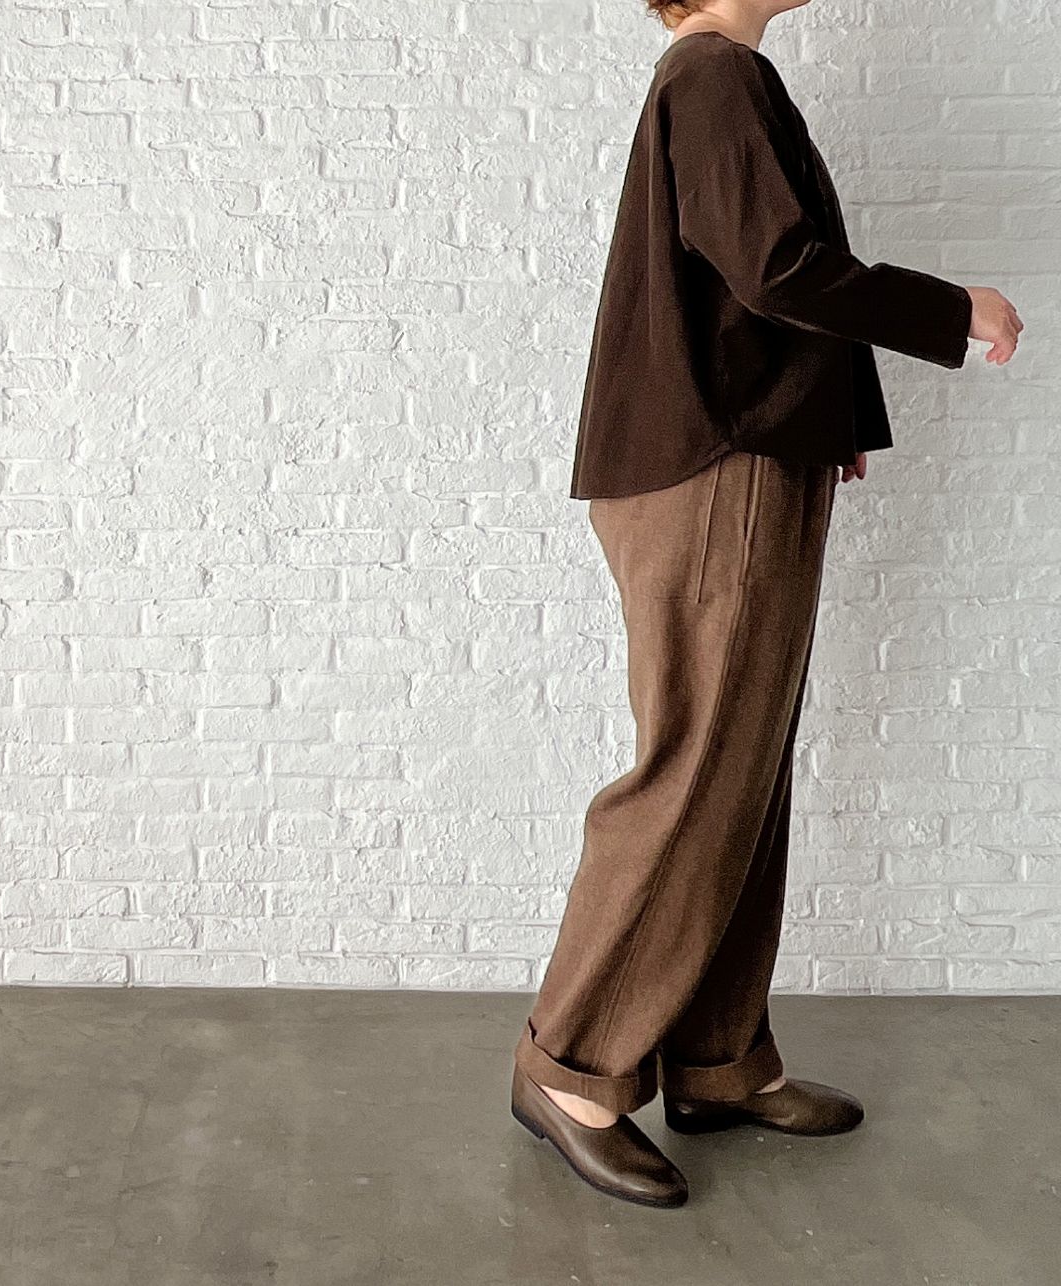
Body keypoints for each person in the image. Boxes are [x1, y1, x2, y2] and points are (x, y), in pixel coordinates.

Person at [509, 0, 1023, 1209]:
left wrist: (831, 421)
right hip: (714, 468)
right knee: (698, 765)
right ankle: (569, 1066)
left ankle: (716, 1058)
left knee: (740, 767)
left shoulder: (726, 76)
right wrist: (949, 309)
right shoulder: (710, 76)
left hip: (743, 454)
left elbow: (747, 288)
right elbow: (776, 266)